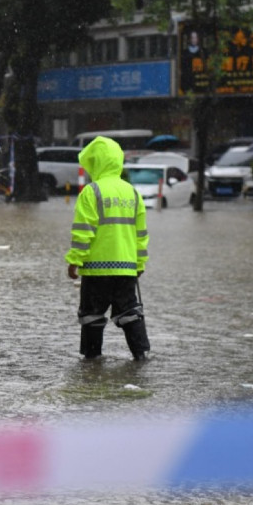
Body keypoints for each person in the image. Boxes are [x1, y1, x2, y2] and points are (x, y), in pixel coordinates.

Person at [64, 136, 150, 361]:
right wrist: (139, 264)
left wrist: (75, 260)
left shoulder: (92, 192)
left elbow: (83, 231)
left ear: (96, 163)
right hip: (126, 270)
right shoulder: (132, 193)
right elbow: (141, 235)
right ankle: (140, 356)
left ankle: (92, 362)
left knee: (92, 317)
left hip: (95, 270)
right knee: (130, 313)